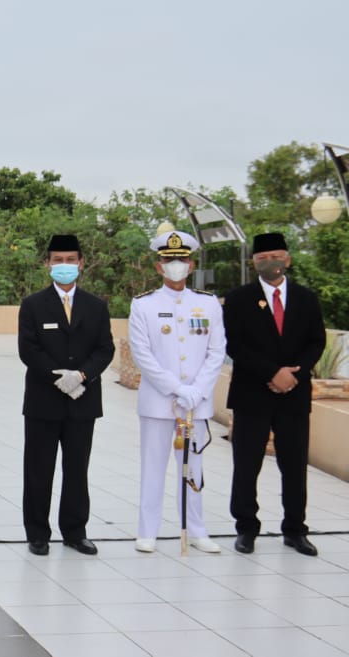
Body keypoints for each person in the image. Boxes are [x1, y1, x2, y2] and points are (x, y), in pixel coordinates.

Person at [225, 232, 326, 556]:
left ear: (288, 259)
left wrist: (293, 374)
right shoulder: (239, 298)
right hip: (252, 393)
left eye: (276, 256)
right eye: (262, 258)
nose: (270, 262)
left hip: (293, 393)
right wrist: (272, 373)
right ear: (253, 263)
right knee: (246, 464)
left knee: (294, 465)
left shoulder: (306, 298)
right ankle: (246, 528)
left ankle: (295, 529)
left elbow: (317, 341)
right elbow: (235, 345)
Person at [127, 231, 225, 553]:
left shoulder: (207, 303)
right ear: (159, 267)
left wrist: (196, 392)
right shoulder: (144, 305)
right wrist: (177, 389)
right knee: (153, 467)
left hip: (196, 404)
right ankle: (148, 531)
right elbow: (143, 355)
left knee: (193, 467)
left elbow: (216, 352)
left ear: (192, 264)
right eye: (169, 260)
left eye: (181, 260)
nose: (176, 265)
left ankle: (196, 529)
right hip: (159, 402)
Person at [18, 234, 115, 556]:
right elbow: (28, 349)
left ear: (81, 263)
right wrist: (57, 377)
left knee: (77, 470)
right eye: (57, 260)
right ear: (47, 264)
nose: (64, 266)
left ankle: (75, 531)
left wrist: (82, 376)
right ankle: (37, 533)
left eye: (70, 259)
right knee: (38, 470)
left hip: (83, 400)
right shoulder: (33, 305)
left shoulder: (96, 306)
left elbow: (105, 348)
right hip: (44, 401)